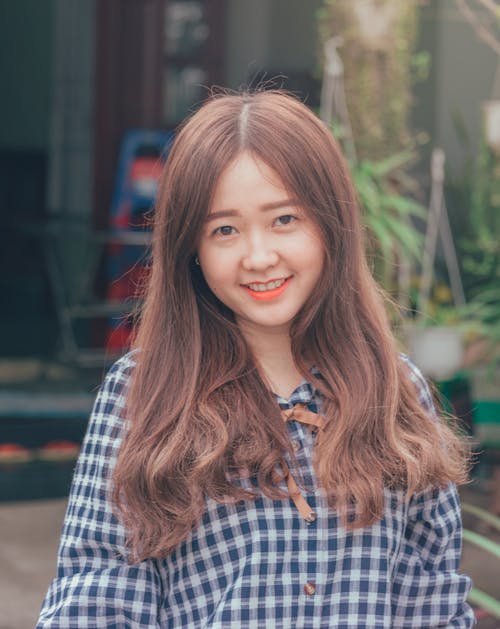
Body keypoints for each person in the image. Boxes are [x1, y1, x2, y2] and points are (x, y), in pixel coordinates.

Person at [37, 90, 475, 628]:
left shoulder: (396, 389)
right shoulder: (142, 393)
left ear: (330, 224)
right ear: (190, 251)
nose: (259, 256)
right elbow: (95, 603)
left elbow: (431, 604)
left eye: (284, 219)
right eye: (224, 230)